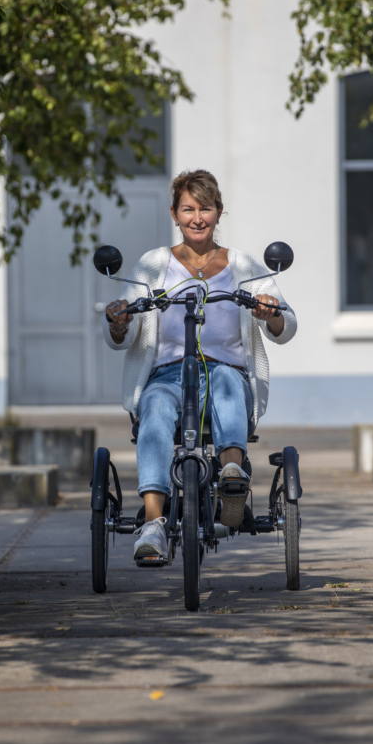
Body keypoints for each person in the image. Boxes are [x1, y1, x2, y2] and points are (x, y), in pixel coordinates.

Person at [103, 169, 297, 561]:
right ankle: (154, 525)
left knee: (226, 381)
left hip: (226, 371)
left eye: (205, 209)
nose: (196, 218)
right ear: (174, 213)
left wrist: (270, 312)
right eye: (188, 209)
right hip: (168, 374)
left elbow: (285, 325)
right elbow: (121, 328)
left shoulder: (243, 266)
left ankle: (231, 480)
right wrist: (120, 319)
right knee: (154, 406)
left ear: (219, 212)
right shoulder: (152, 265)